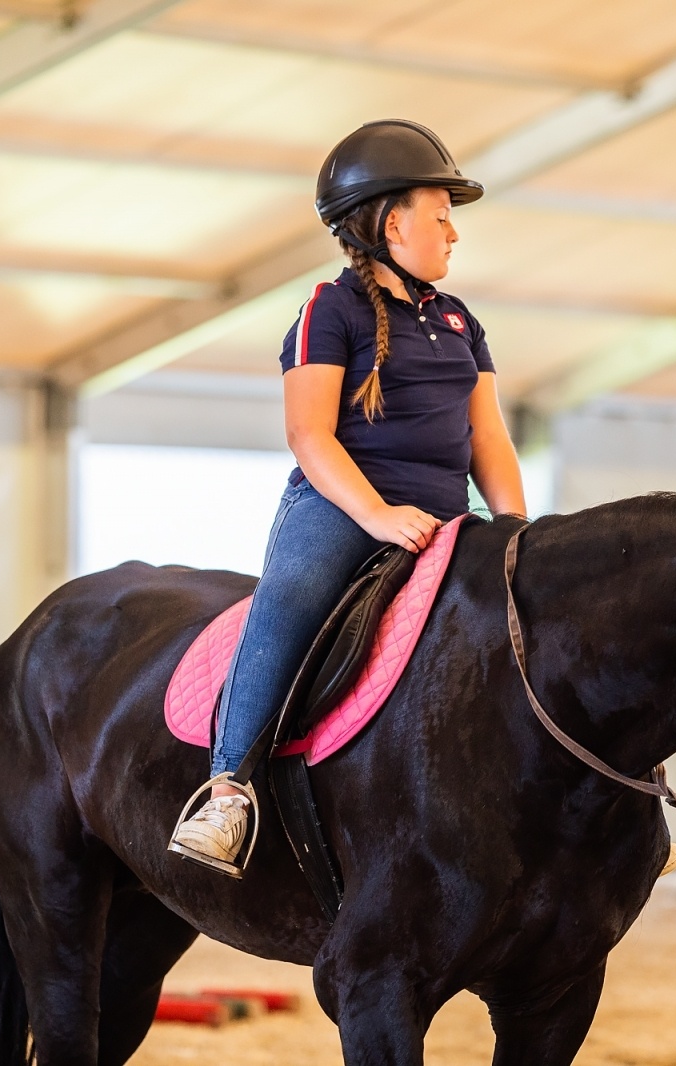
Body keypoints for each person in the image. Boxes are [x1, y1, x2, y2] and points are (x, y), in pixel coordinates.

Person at [168, 119, 528, 876]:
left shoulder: (460, 320)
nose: (453, 233)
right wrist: (377, 516)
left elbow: (489, 438)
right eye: (441, 216)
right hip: (342, 510)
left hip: (447, 515)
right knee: (292, 596)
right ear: (393, 224)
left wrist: (518, 526)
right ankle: (227, 790)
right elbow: (310, 435)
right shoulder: (328, 311)